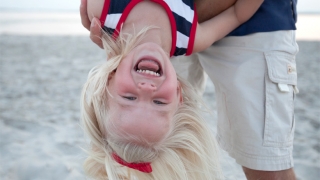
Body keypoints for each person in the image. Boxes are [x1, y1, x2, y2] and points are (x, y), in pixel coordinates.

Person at [81, 0, 299, 180]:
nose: (146, 89)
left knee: (269, 166)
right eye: (158, 102)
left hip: (256, 25)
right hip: (221, 18)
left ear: (107, 82)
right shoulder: (190, 38)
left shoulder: (104, 13)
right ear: (178, 95)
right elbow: (237, 14)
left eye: (130, 97)